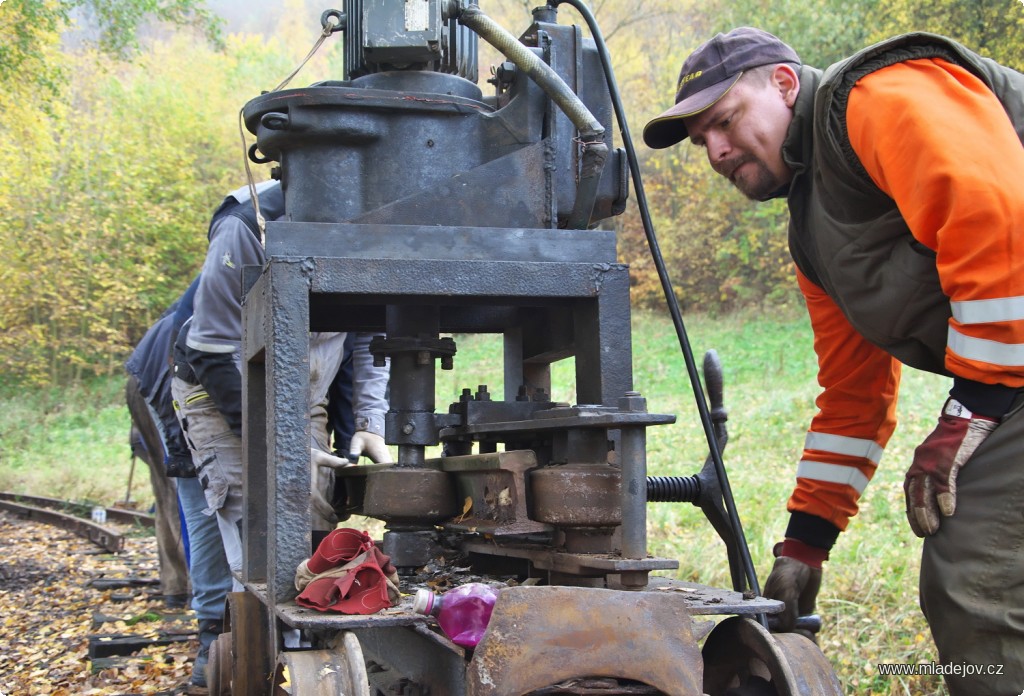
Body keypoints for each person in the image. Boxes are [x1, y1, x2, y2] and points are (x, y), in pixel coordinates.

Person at [643, 27, 1024, 695]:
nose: (716, 150)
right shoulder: (814, 236)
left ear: (786, 86)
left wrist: (970, 410)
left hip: (1009, 375)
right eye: (702, 141)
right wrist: (803, 546)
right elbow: (855, 394)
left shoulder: (875, 96)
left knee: (972, 577)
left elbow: (997, 218)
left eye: (725, 122)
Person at [171, 178, 391, 599]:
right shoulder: (247, 224)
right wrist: (275, 440)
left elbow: (369, 333)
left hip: (302, 397)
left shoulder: (382, 221)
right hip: (221, 394)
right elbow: (212, 348)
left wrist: (369, 422)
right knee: (257, 536)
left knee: (312, 529)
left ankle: (309, 635)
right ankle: (241, 647)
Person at [125, 278, 235, 689]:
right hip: (169, 373)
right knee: (198, 494)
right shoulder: (240, 242)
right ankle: (208, 630)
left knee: (213, 493)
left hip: (211, 370)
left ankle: (183, 591)